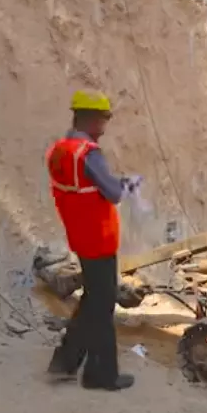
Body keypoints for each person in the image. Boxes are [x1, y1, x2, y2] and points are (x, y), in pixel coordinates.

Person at [45, 89, 141, 391]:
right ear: (90, 119)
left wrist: (115, 183)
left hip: (80, 235)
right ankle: (101, 374)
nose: (105, 127)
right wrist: (127, 186)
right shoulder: (89, 153)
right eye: (103, 120)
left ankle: (64, 362)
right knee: (102, 306)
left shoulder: (60, 150)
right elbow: (112, 193)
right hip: (99, 238)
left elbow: (84, 187)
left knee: (93, 300)